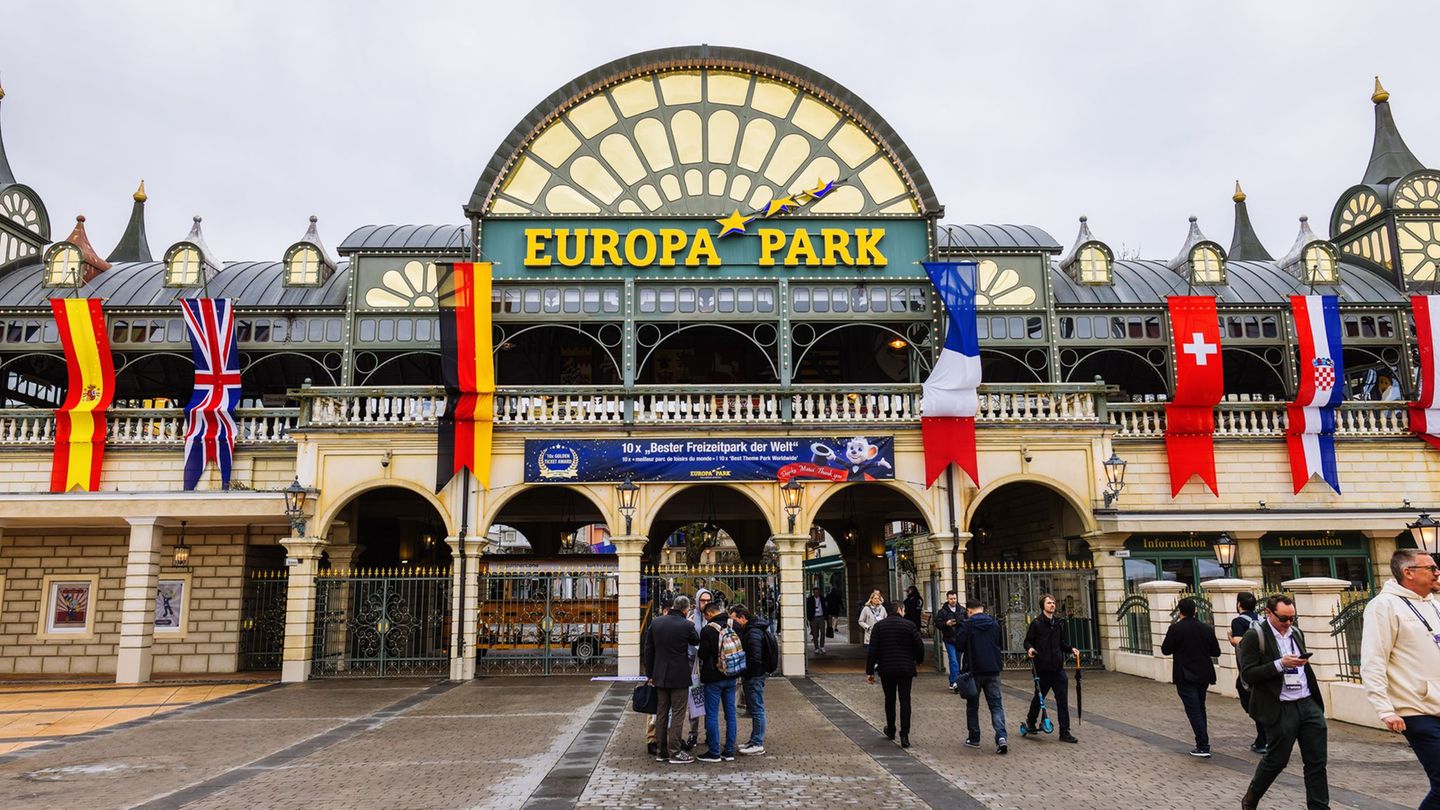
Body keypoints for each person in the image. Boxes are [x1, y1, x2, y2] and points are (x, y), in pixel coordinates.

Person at [1361, 549, 1440, 809]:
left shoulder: (1434, 604)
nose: (1437, 572)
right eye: (1431, 568)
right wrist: (1385, 710)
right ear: (1408, 572)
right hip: (1416, 710)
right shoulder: (1383, 606)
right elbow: (1373, 661)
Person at [1237, 593, 1329, 810]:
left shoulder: (1296, 633)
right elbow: (1248, 674)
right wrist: (1280, 664)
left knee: (1316, 762)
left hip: (1307, 703)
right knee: (1277, 760)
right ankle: (1251, 798)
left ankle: (1319, 807)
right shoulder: (1255, 636)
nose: (1288, 623)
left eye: (1292, 618)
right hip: (1279, 706)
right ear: (1269, 613)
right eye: (1283, 618)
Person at [1161, 596, 1222, 757]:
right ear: (1195, 611)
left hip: (1185, 674)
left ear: (1180, 611)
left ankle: (1203, 745)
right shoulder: (1206, 628)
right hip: (1204, 673)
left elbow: (1165, 650)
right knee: (1200, 707)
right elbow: (1216, 652)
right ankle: (1202, 742)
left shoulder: (1176, 629)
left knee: (1193, 709)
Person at [642, 594, 699, 764]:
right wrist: (688, 622)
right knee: (678, 714)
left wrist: (650, 674)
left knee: (661, 713)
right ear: (686, 610)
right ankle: (675, 751)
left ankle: (661, 751)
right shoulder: (686, 625)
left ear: (673, 606)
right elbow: (695, 640)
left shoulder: (656, 623)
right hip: (679, 676)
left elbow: (648, 649)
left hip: (660, 675)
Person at [865, 601, 924, 748]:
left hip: (887, 668)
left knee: (889, 699)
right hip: (905, 668)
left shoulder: (879, 627)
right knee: (905, 700)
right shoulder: (909, 625)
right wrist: (919, 660)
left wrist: (870, 671)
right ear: (899, 610)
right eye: (903, 610)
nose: (904, 612)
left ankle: (891, 729)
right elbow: (919, 645)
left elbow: (872, 650)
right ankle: (904, 734)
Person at [1021, 593, 1078, 743]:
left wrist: (1071, 649)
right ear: (1043, 606)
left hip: (1058, 669)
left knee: (1062, 701)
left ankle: (1065, 732)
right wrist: (1030, 649)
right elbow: (1027, 641)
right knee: (1039, 698)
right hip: (1042, 669)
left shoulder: (1058, 623)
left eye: (1053, 603)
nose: (1052, 605)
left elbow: (1061, 643)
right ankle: (1031, 721)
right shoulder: (1036, 624)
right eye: (1049, 603)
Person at [956, 597, 1008, 754]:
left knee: (973, 705)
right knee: (996, 705)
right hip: (993, 669)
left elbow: (959, 645)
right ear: (982, 609)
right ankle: (1001, 737)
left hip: (974, 670)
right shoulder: (994, 623)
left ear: (969, 611)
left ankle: (974, 738)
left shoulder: (967, 624)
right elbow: (999, 642)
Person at [696, 601, 741, 763]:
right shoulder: (734, 625)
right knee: (731, 714)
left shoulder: (708, 629)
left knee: (712, 715)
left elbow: (702, 654)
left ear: (709, 614)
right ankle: (729, 751)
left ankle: (714, 752)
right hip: (731, 675)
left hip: (713, 677)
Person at [1230, 591, 1268, 754]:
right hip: (1265, 667)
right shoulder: (1262, 620)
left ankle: (1264, 739)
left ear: (1239, 605)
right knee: (1260, 703)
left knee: (1252, 704)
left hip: (1249, 670)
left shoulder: (1238, 621)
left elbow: (1239, 642)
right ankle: (1262, 739)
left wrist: (1231, 639)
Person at [731, 604, 771, 756]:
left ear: (742, 618)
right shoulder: (753, 629)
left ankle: (757, 743)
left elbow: (755, 658)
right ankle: (754, 740)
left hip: (754, 676)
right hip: (754, 675)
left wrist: (747, 673)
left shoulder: (753, 632)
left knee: (757, 709)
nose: (733, 623)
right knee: (755, 708)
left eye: (734, 619)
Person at [685, 588, 712, 750]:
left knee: (710, 701)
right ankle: (693, 734)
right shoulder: (691, 617)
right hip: (693, 666)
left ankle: (710, 733)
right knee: (694, 700)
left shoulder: (714, 617)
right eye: (703, 600)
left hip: (709, 666)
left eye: (708, 600)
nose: (706, 603)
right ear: (697, 601)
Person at [934, 590, 964, 690]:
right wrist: (946, 624)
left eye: (954, 598)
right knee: (953, 660)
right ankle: (955, 682)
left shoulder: (962, 610)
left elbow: (966, 622)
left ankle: (953, 681)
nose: (953, 600)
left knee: (957, 661)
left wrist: (959, 623)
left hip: (959, 639)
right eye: (951, 599)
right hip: (949, 639)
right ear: (947, 599)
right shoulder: (942, 612)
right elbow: (937, 623)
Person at [805, 586, 830, 655]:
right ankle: (816, 648)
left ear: (819, 592)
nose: (816, 593)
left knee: (823, 632)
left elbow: (825, 607)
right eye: (815, 592)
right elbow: (808, 609)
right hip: (814, 618)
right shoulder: (810, 599)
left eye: (817, 592)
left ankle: (822, 646)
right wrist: (809, 618)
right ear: (813, 593)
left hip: (821, 617)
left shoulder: (822, 599)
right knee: (815, 634)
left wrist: (827, 617)